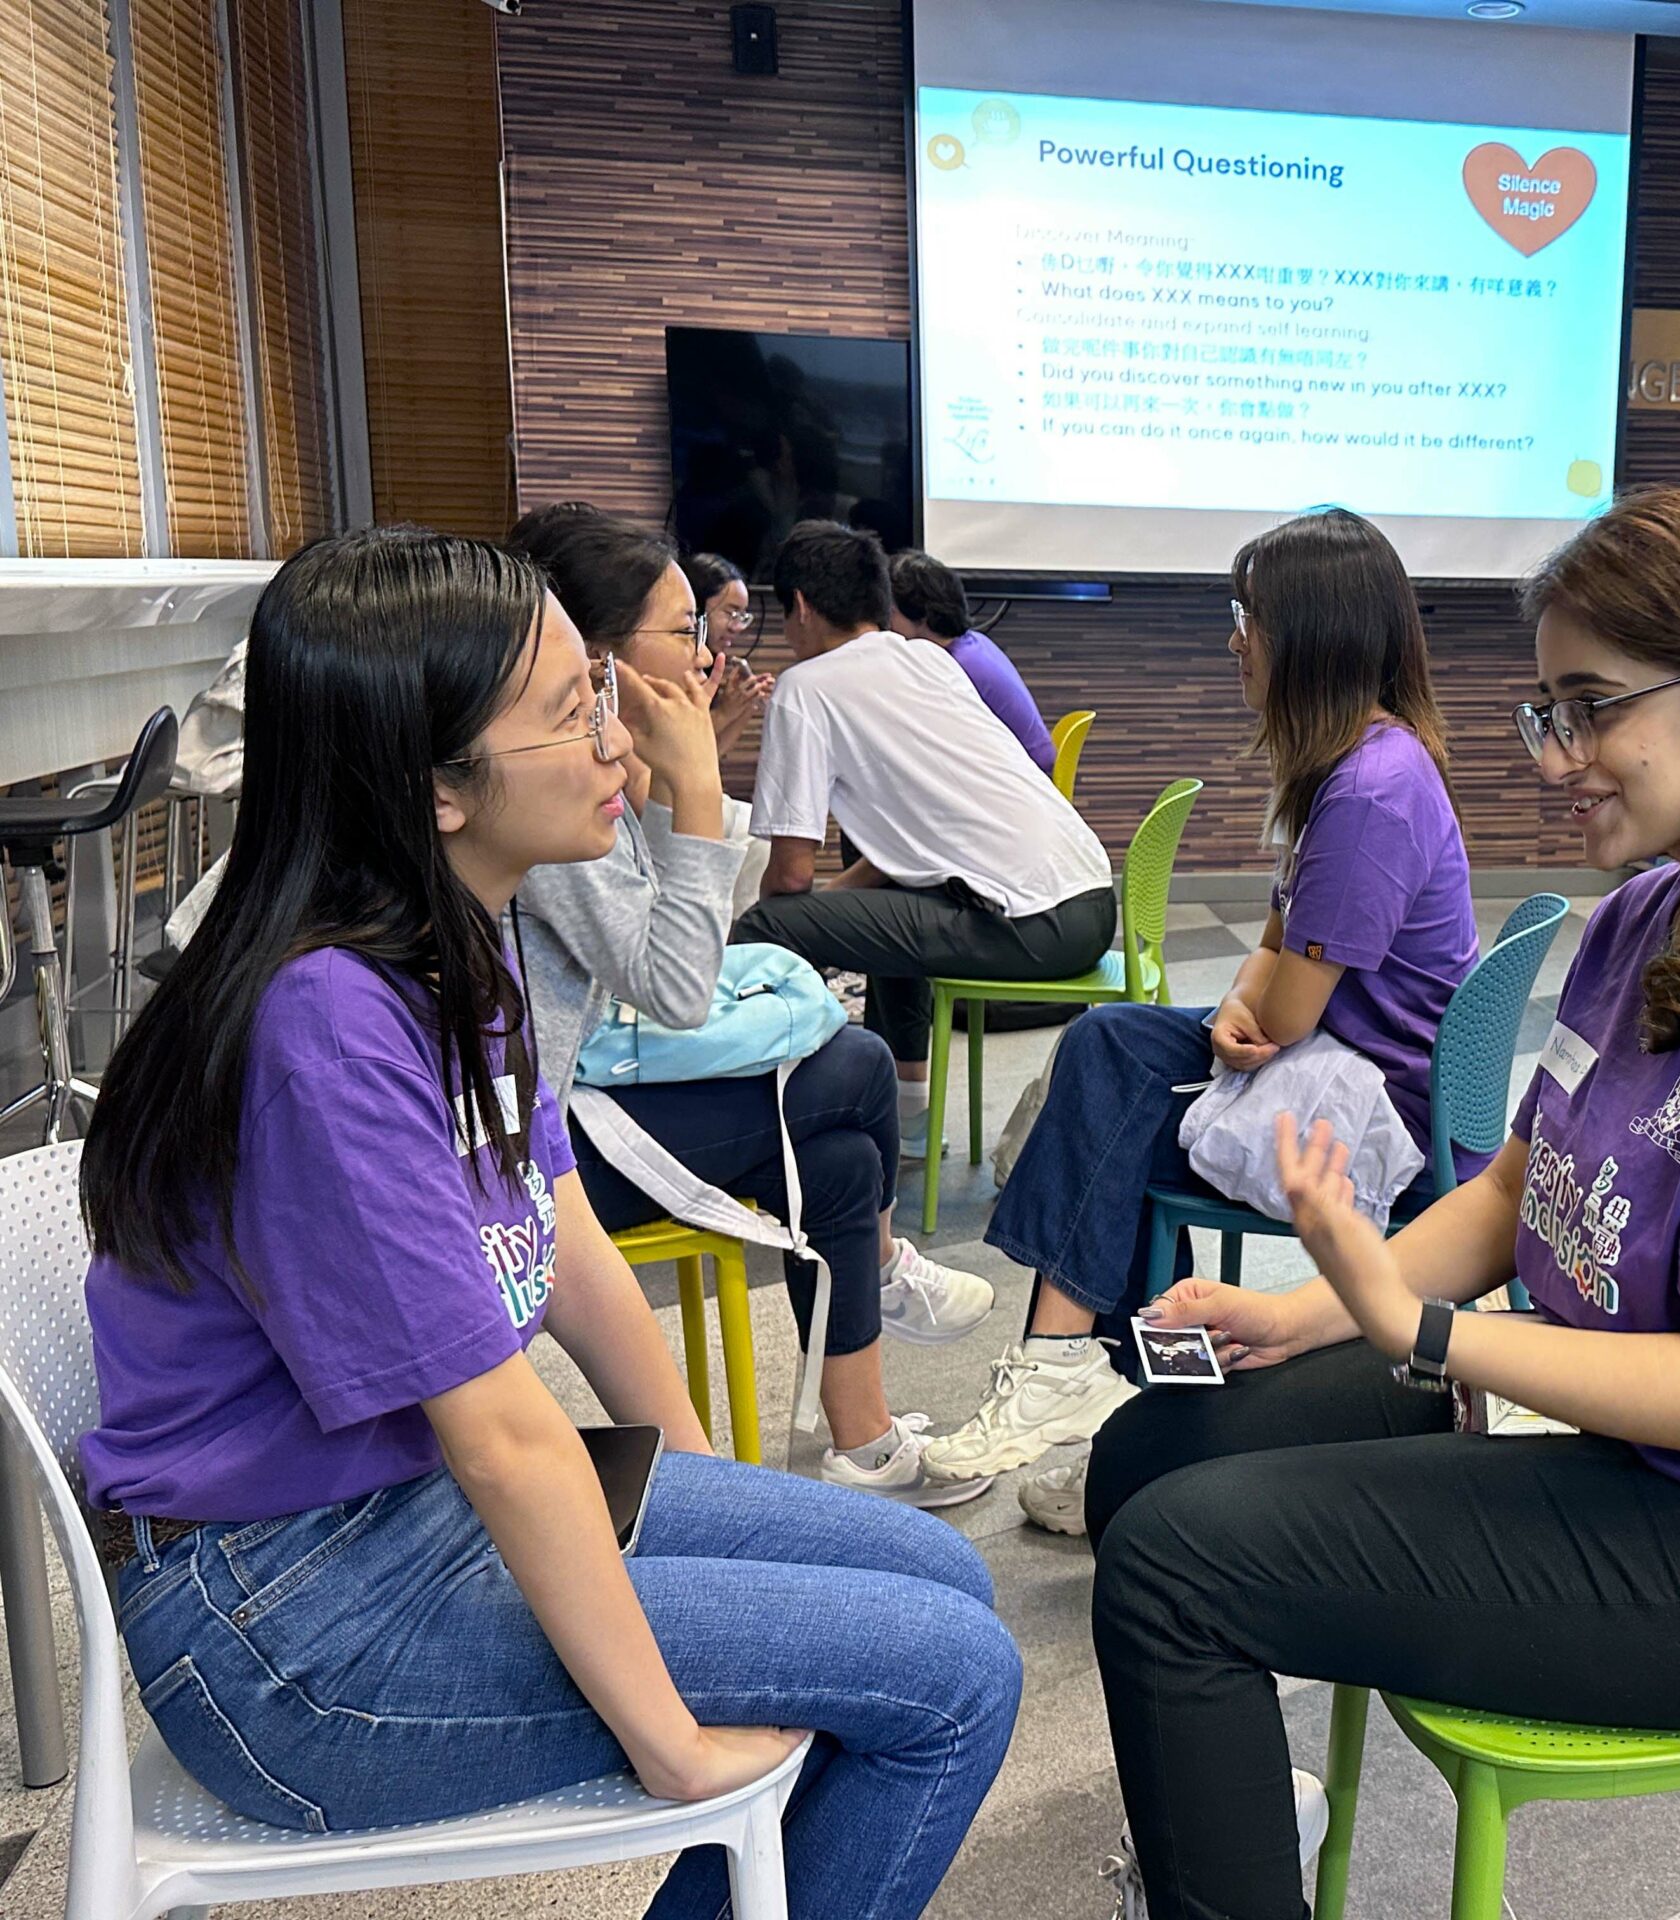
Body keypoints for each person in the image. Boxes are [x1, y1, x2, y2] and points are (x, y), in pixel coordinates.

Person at [1081, 488, 1680, 1920]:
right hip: (1655, 1459)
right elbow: (1522, 1188)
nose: (1557, 759)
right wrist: (1302, 1311)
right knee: (1148, 1458)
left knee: (1170, 1572)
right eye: (1545, 710)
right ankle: (1237, 1819)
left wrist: (1420, 1334)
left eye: (1592, 710)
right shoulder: (1654, 909)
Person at [76, 527, 1018, 1913]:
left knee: (940, 1578)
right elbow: (505, 1434)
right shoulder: (328, 1023)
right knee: (950, 1678)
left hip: (399, 1513)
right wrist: (669, 1740)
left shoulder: (462, 943)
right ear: (439, 787)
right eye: (579, 708)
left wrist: (710, 1480)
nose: (621, 739)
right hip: (293, 1624)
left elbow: (558, 1225)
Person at [920, 508, 1480, 1535]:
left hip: (1376, 1112)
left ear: (1310, 634)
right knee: (1117, 1092)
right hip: (1346, 1062)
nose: (1236, 638)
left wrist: (1253, 1000)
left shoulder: (1368, 792)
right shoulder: (1351, 764)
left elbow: (1294, 1007)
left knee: (1110, 1080)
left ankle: (1070, 1365)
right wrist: (1236, 1001)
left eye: (1248, 616)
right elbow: (1273, 955)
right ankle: (1139, 1424)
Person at [508, 505, 996, 1508]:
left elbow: (679, 927)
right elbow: (679, 980)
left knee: (841, 1156)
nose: (710, 651)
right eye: (687, 628)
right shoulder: (533, 787)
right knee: (851, 1071)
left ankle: (858, 1437)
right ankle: (872, 1353)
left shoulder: (568, 761)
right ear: (593, 653)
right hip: (546, 1156)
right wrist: (689, 777)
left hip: (562, 1127)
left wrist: (671, 771)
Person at [733, 521, 1117, 1157]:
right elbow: (897, 856)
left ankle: (755, 1133)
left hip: (1028, 924)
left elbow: (791, 876)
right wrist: (835, 909)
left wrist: (762, 919)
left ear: (800, 605)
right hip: (1093, 901)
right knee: (883, 916)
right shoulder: (928, 659)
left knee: (764, 930)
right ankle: (905, 1119)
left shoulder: (805, 689)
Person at [886, 549, 1056, 776]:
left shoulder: (953, 668)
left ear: (921, 616)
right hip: (1029, 767)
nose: (886, 621)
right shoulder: (973, 642)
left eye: (892, 612)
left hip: (1024, 778)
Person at [681, 548, 776, 758]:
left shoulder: (710, 662)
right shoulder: (672, 662)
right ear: (696, 608)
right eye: (731, 613)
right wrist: (723, 713)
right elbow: (675, 748)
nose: (737, 626)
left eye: (742, 616)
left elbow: (712, 754)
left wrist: (747, 704)